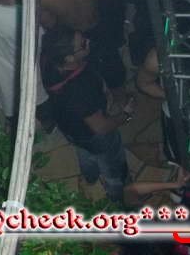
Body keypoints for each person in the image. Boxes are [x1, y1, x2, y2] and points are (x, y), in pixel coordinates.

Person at [41, 25, 132, 203]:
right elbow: (101, 127)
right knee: (113, 164)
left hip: (71, 128)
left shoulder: (49, 61)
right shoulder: (80, 87)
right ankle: (119, 195)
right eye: (83, 44)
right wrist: (126, 114)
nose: (88, 42)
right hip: (93, 134)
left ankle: (90, 178)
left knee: (85, 153)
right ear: (69, 58)